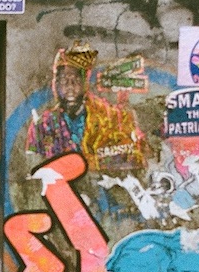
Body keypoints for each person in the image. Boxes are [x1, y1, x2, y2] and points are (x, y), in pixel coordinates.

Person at [26, 42, 148, 174]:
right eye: (64, 80)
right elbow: (31, 168)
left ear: (84, 83)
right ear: (55, 84)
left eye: (76, 80)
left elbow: (133, 159)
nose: (70, 86)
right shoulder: (42, 125)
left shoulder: (107, 117)